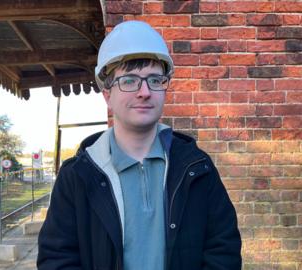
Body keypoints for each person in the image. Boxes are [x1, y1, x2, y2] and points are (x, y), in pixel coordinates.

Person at [37, 20, 242, 270]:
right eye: (129, 80)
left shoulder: (197, 168)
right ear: (107, 94)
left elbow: (224, 250)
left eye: (154, 80)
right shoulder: (78, 177)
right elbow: (56, 260)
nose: (144, 92)